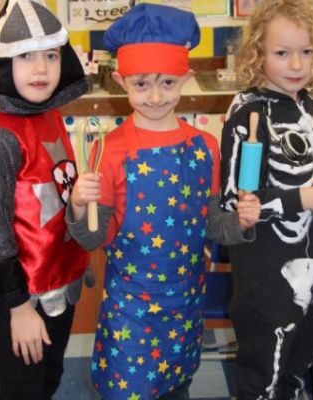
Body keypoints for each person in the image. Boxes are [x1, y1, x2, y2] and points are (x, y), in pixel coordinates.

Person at [66, 3, 260, 399]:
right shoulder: (109, 151)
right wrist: (78, 207)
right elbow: (93, 239)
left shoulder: (205, 147)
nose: (155, 96)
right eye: (141, 84)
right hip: (131, 309)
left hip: (185, 304)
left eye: (168, 83)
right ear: (120, 81)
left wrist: (240, 223)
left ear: (186, 78)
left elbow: (212, 224)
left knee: (177, 386)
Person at [215, 0, 313, 398]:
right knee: (264, 374)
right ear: (258, 53)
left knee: (298, 364)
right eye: (281, 53)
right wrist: (304, 199)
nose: (296, 64)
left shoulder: (312, 105)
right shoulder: (247, 114)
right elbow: (237, 202)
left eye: (306, 51)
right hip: (268, 274)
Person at [0, 1, 90, 399]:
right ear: (4, 63)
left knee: (48, 377)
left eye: (51, 55)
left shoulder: (47, 112)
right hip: (26, 292)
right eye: (25, 56)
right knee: (22, 387)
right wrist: (18, 308)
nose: (41, 69)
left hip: (60, 278)